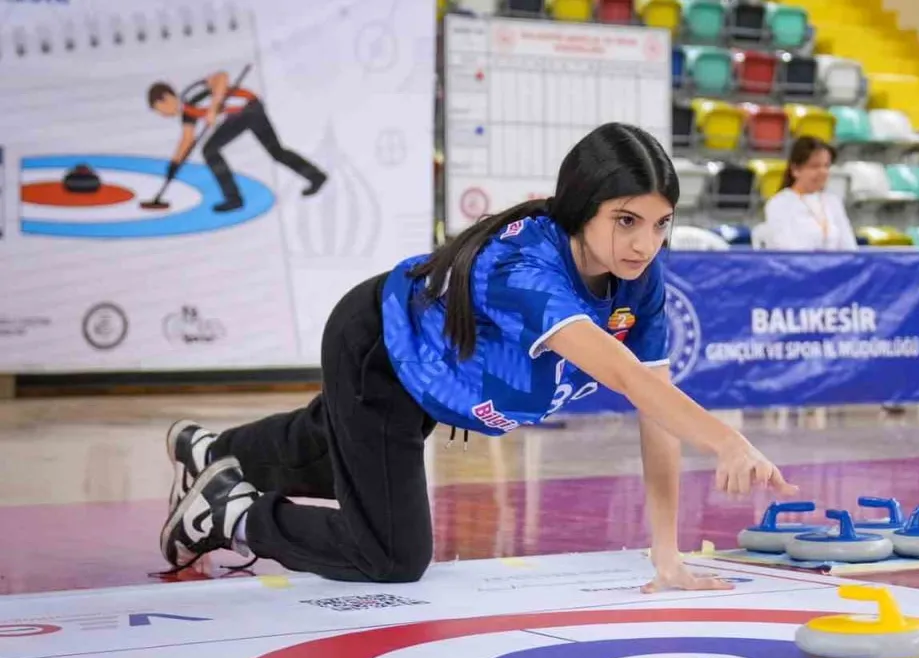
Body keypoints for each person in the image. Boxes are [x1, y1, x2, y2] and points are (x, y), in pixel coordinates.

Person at [158, 123, 797, 593]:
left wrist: (668, 554)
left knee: (329, 455)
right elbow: (627, 377)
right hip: (378, 350)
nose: (645, 244)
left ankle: (212, 455)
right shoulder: (529, 267)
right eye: (626, 221)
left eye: (661, 224)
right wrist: (726, 440)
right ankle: (229, 515)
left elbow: (655, 411)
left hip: (425, 382)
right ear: (582, 208)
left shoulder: (641, 282)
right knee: (391, 554)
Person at [147, 70, 327, 212]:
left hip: (246, 108)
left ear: (167, 98)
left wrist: (213, 107)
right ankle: (316, 176)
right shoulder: (187, 112)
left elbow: (222, 77)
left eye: (159, 109)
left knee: (210, 150)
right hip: (249, 111)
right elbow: (186, 141)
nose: (162, 114)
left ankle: (233, 199)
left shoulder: (192, 93)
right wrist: (173, 167)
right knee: (276, 151)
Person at [761, 136, 857, 251]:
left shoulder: (833, 202)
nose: (822, 172)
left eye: (826, 166)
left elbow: (849, 248)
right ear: (796, 170)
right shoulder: (779, 204)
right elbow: (786, 250)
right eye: (815, 166)